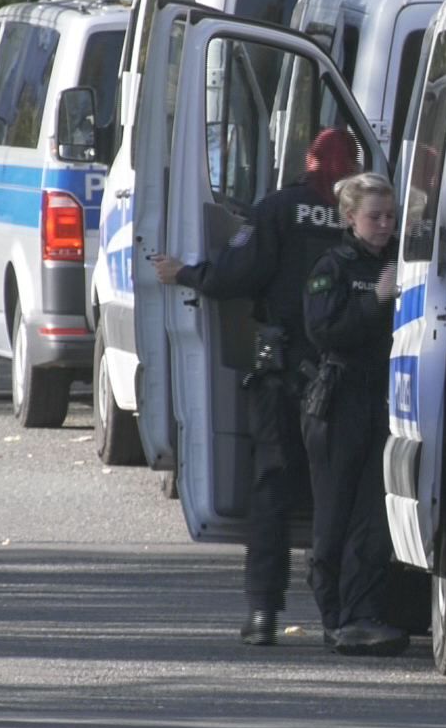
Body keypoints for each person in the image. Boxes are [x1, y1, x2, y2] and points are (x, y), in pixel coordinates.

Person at [150, 127, 361, 645]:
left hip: (284, 373)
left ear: (307, 162)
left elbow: (233, 276)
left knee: (272, 489)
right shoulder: (368, 216)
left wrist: (185, 274)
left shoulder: (278, 209)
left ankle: (264, 613)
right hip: (346, 376)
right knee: (342, 497)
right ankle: (340, 616)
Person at [301, 172, 408, 656]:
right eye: (375, 216)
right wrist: (376, 302)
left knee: (372, 514)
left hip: (383, 398)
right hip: (339, 400)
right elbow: (324, 331)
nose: (384, 225)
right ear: (350, 218)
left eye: (390, 216)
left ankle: (362, 615)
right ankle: (333, 615)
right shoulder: (334, 266)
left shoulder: (400, 263)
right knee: (335, 510)